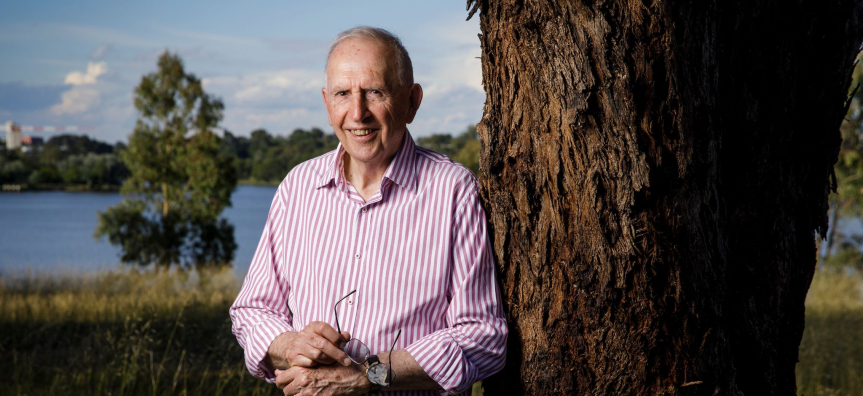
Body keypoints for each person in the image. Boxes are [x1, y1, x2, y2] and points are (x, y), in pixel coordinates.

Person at [230, 26, 507, 396]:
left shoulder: (453, 191)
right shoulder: (297, 188)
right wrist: (291, 345)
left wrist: (369, 374)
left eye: (374, 92)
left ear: (412, 101)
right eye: (343, 94)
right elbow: (252, 310)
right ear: (328, 105)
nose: (357, 113)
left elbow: (483, 336)